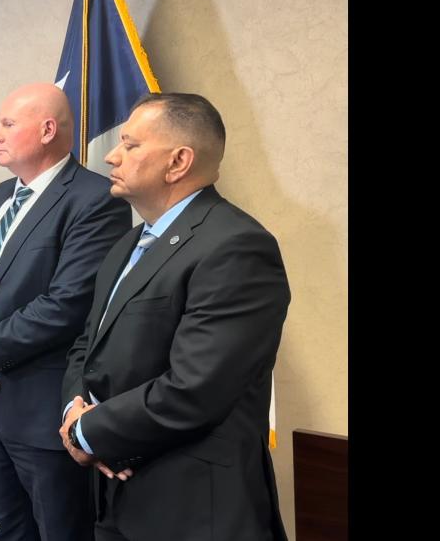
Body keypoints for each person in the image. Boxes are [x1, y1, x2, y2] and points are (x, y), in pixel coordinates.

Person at [59, 93, 290, 541]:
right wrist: (75, 412)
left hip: (193, 510)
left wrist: (89, 433)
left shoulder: (236, 247)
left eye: (130, 145)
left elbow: (195, 388)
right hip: (115, 496)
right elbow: (87, 346)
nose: (111, 155)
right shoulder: (126, 245)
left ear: (178, 161)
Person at [0, 83, 130, 540]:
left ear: (47, 130)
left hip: (47, 413)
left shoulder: (94, 199)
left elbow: (68, 304)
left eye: (7, 124)